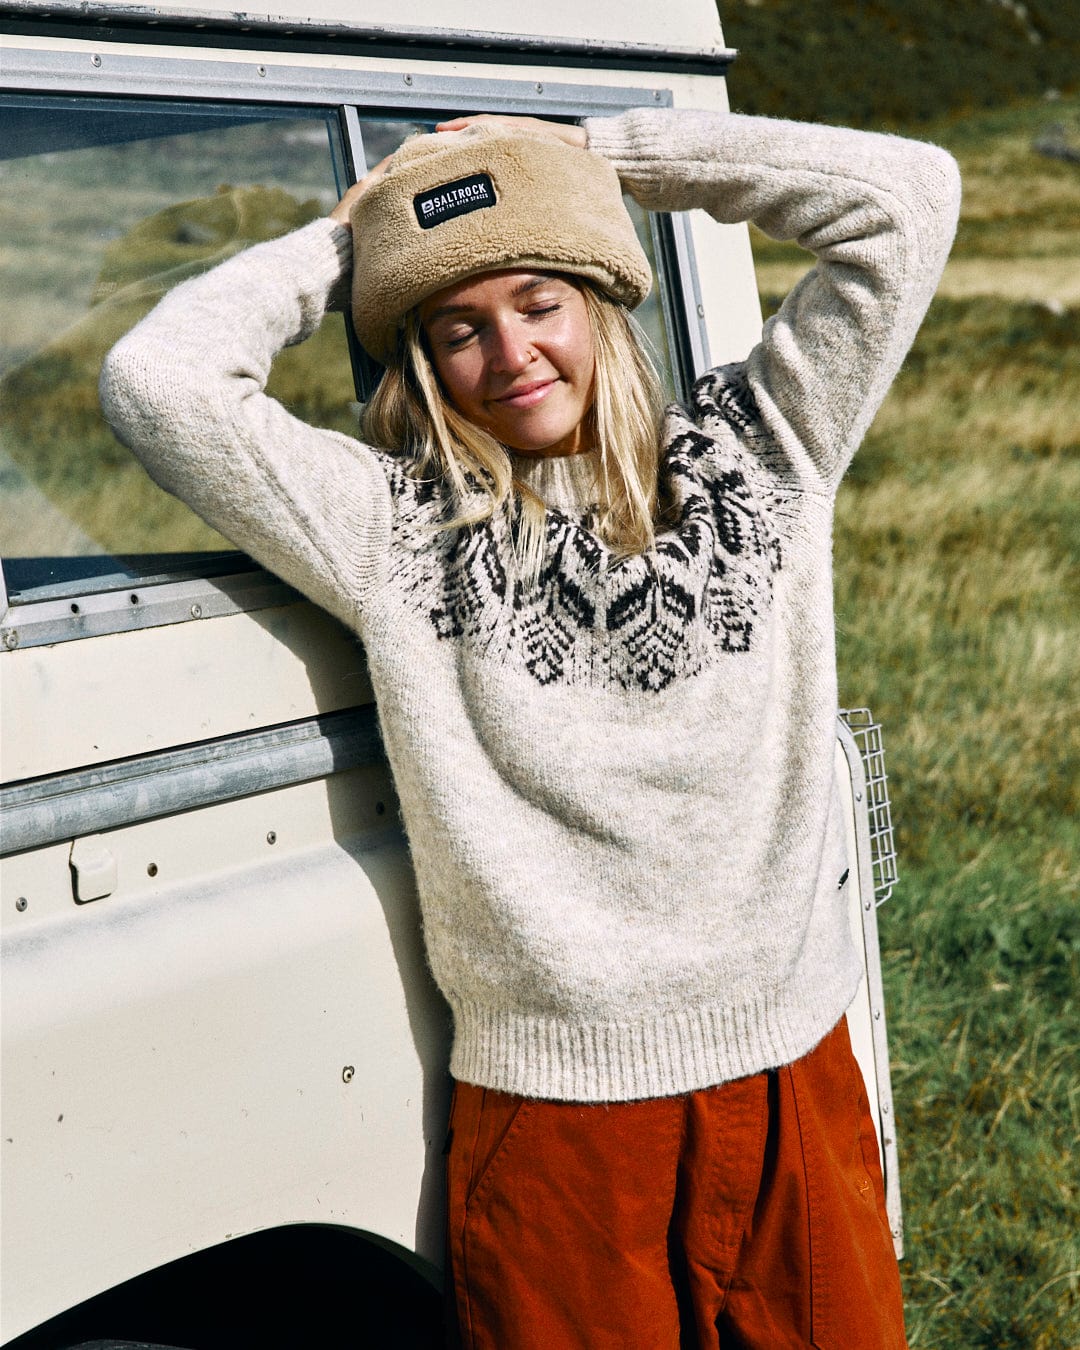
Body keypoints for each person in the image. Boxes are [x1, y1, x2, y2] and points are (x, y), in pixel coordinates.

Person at [100, 106, 961, 1349]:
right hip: (564, 1126)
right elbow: (157, 384)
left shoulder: (767, 449)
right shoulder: (395, 528)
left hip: (790, 1079)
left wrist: (583, 152)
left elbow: (909, 194)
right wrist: (355, 237)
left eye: (539, 299)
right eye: (458, 328)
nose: (511, 352)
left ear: (603, 302)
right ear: (426, 364)